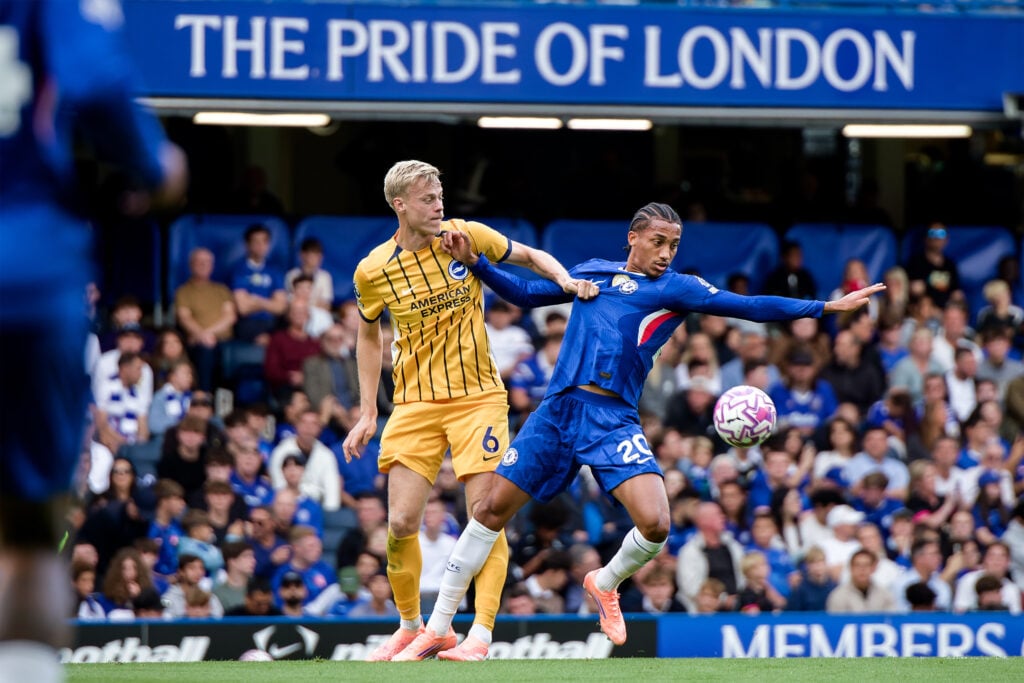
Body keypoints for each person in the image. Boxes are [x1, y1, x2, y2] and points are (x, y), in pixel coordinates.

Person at [404, 202, 883, 656]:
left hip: (612, 418)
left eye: (673, 245)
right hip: (557, 410)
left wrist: (823, 308)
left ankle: (605, 582)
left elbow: (749, 305)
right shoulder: (593, 273)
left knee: (656, 524)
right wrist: (478, 264)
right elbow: (527, 294)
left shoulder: (677, 288)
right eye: (658, 241)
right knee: (488, 511)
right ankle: (438, 628)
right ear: (633, 238)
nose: (666, 253)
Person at [340, 160, 588, 662]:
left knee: (485, 516)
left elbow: (531, 255)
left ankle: (480, 634)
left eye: (440, 196)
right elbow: (368, 334)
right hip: (413, 403)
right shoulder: (373, 269)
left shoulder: (464, 235)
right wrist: (367, 411)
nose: (439, 206)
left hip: (478, 399)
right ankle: (411, 627)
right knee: (400, 523)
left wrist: (567, 280)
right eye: (427, 199)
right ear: (400, 205)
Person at [174, 247, 237, 391]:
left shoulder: (221, 290)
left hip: (222, 340)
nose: (203, 265)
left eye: (207, 262)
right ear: (191, 265)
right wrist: (202, 336)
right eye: (199, 262)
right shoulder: (184, 291)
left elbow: (230, 316)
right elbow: (185, 318)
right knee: (205, 351)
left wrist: (208, 334)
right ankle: (204, 395)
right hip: (198, 342)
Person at [232, 223, 288, 345]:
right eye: (256, 242)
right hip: (248, 324)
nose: (261, 246)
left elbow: (280, 308)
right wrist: (270, 303)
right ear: (247, 244)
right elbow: (243, 308)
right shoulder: (239, 270)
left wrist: (256, 300)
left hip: (272, 323)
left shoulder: (274, 270)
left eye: (264, 242)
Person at [905, 224, 962, 309]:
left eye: (941, 233)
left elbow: (956, 293)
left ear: (946, 239)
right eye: (932, 233)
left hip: (945, 311)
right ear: (926, 238)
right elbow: (915, 290)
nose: (936, 237)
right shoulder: (916, 263)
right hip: (923, 310)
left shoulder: (950, 265)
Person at [825, 549, 897, 614]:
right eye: (857, 565)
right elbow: (835, 622)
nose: (862, 569)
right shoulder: (838, 596)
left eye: (866, 565)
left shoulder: (884, 594)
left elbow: (892, 618)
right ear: (851, 568)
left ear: (873, 568)